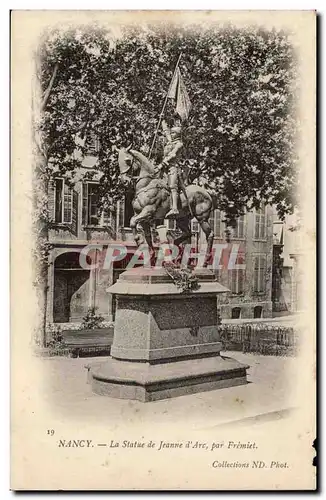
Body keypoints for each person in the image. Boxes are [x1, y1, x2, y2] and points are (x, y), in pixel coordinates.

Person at [156, 118, 184, 218]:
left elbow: (172, 155)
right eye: (171, 133)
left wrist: (162, 164)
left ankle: (175, 208)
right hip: (164, 168)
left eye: (173, 133)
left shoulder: (179, 144)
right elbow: (166, 131)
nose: (170, 134)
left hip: (173, 168)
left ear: (177, 134)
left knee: (172, 186)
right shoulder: (170, 142)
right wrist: (163, 119)